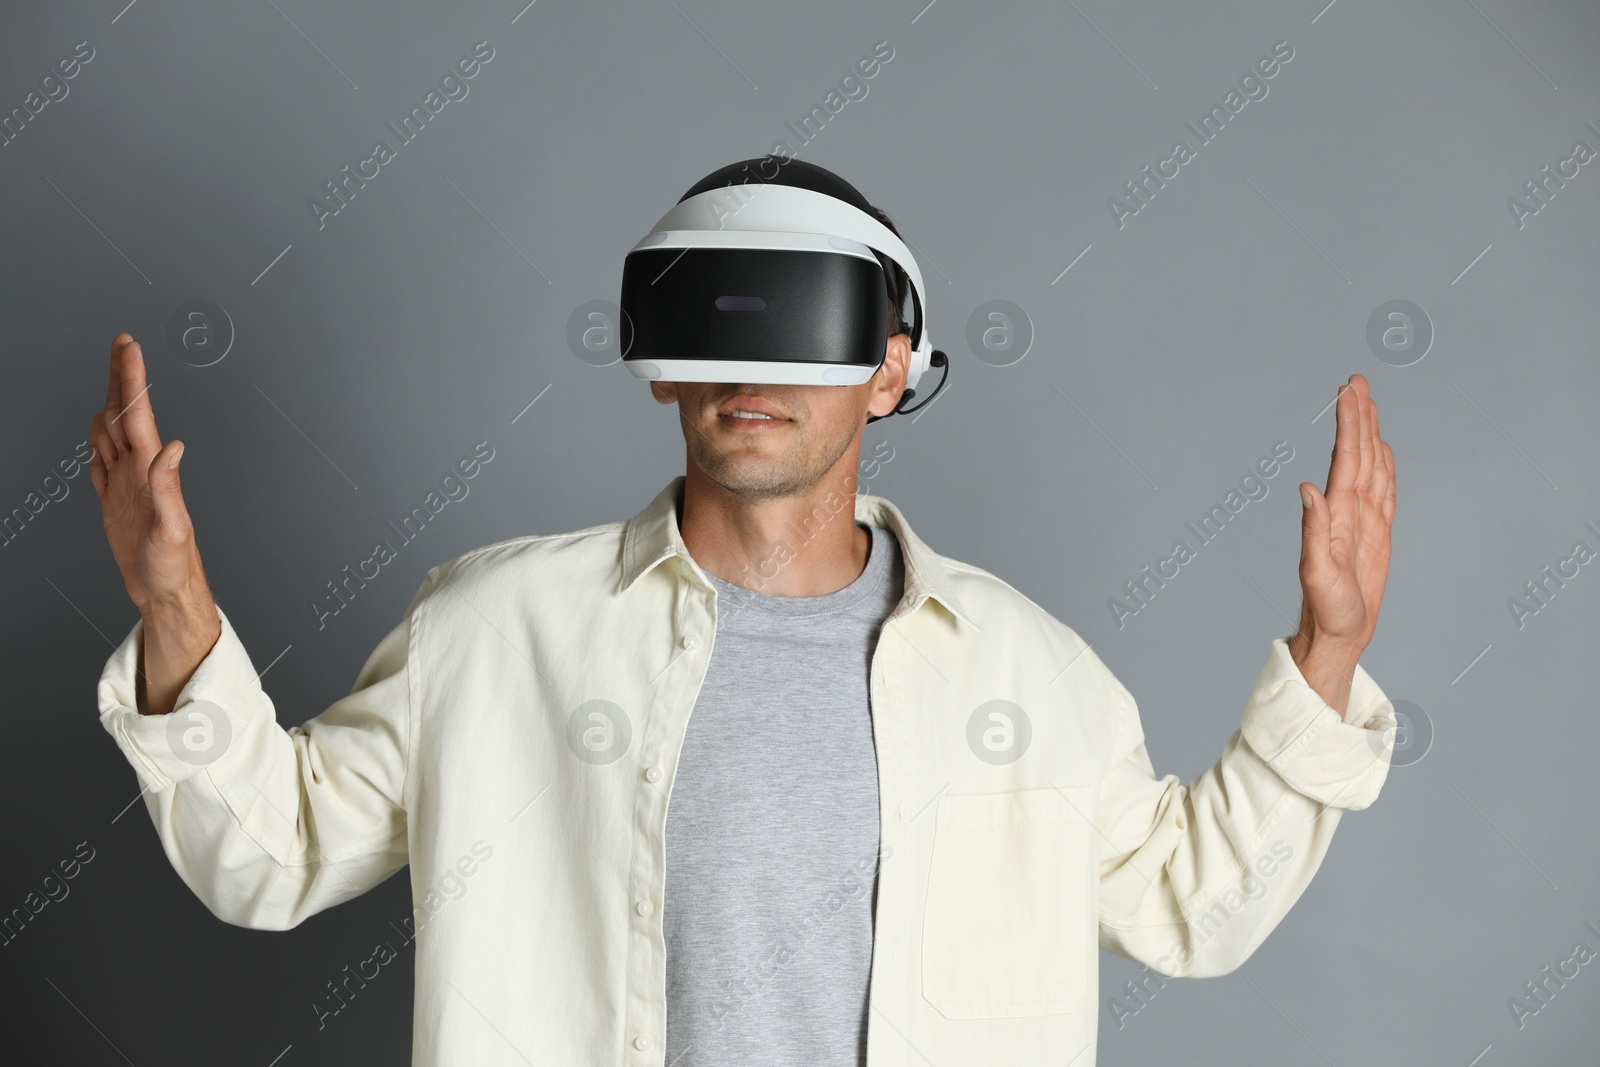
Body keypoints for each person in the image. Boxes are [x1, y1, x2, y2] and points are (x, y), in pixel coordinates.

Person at [91, 163, 1398, 1067]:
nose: (753, 370)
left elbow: (1192, 903)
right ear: (660, 356)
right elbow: (268, 853)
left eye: (803, 321)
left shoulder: (1025, 670)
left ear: (893, 367)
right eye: (718, 314)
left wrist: (1329, 653)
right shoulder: (495, 635)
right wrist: (174, 607)